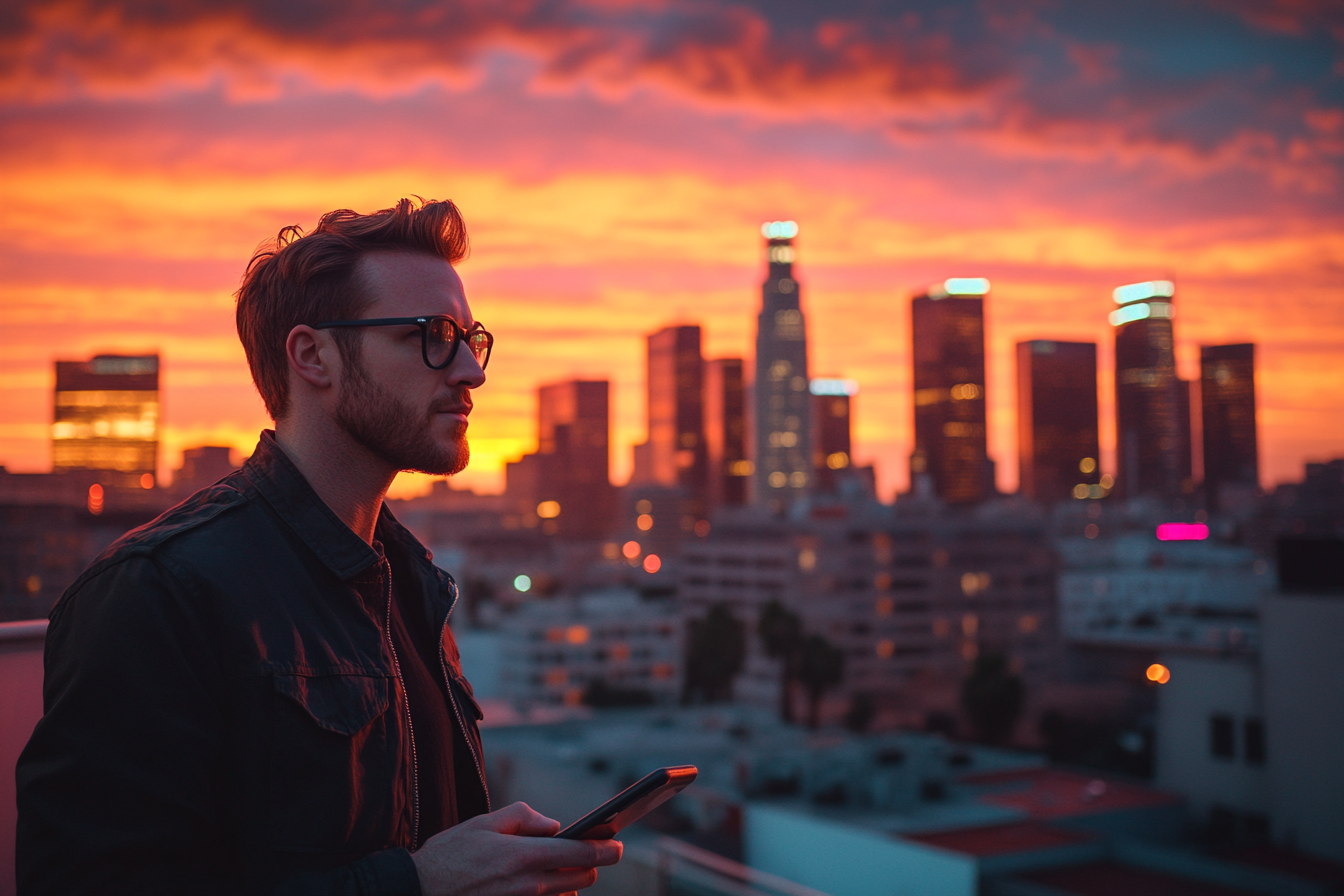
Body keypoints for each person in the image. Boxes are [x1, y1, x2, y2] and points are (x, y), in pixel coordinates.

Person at [16, 198, 621, 895]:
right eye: (431, 334)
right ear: (312, 356)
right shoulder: (159, 591)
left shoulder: (413, 586)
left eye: (471, 337)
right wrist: (416, 885)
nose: (470, 371)